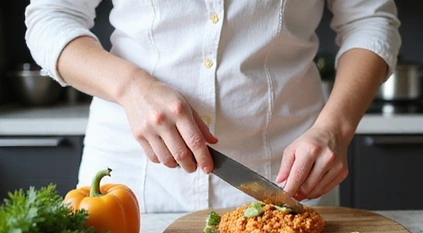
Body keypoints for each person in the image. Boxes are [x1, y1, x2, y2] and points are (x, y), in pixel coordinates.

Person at [25, 1, 401, 213]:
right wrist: (130, 87)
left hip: (288, 176)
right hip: (131, 180)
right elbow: (50, 16)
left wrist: (334, 127)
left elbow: (369, 21)